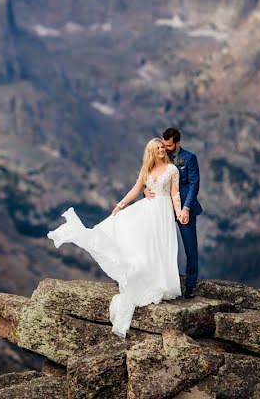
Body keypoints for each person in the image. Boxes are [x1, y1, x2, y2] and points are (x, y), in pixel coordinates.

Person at [47, 138, 183, 337]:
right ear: (151, 152)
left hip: (163, 211)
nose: (161, 150)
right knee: (143, 244)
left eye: (163, 147)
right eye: (158, 148)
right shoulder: (146, 170)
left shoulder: (172, 170)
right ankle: (151, 280)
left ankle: (163, 282)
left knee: (161, 245)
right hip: (147, 211)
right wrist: (119, 206)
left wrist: (179, 213)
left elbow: (175, 193)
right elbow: (136, 190)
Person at [144, 127, 201, 298]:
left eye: (168, 146)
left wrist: (186, 209)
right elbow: (149, 177)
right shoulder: (159, 155)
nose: (165, 148)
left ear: (177, 143)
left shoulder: (189, 158)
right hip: (162, 209)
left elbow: (194, 185)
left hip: (184, 209)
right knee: (159, 246)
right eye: (163, 144)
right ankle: (161, 283)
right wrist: (146, 190)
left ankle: (191, 286)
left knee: (190, 247)